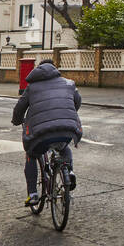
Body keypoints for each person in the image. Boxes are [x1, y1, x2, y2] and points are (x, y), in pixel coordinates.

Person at [12, 60, 82, 207]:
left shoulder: (31, 87)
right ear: (55, 70)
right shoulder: (68, 83)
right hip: (68, 128)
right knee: (64, 147)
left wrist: (17, 120)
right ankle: (69, 171)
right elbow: (77, 101)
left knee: (31, 154)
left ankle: (32, 194)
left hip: (41, 134)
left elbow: (19, 108)